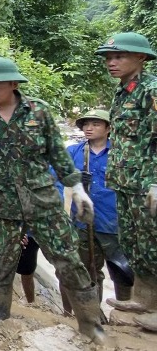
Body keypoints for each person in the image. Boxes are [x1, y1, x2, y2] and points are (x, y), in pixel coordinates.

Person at [0, 57, 106, 344]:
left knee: (68, 259)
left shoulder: (39, 112)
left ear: (14, 84)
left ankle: (92, 326)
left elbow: (58, 155)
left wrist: (77, 190)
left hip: (41, 200)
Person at [94, 32, 157, 331]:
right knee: (135, 243)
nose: (112, 63)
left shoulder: (151, 90)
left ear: (141, 58)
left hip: (147, 184)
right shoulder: (123, 91)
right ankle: (146, 300)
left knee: (154, 243)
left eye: (119, 57)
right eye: (108, 58)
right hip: (125, 182)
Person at [56, 109, 135, 320]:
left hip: (115, 222)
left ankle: (124, 313)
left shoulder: (120, 153)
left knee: (122, 271)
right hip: (83, 223)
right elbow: (55, 178)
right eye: (86, 124)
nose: (89, 128)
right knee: (89, 271)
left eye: (96, 124)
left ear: (108, 129)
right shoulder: (74, 152)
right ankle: (94, 314)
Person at [16, 233, 40, 304]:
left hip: (52, 230)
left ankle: (67, 313)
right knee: (27, 271)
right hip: (29, 234)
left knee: (64, 271)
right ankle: (31, 303)